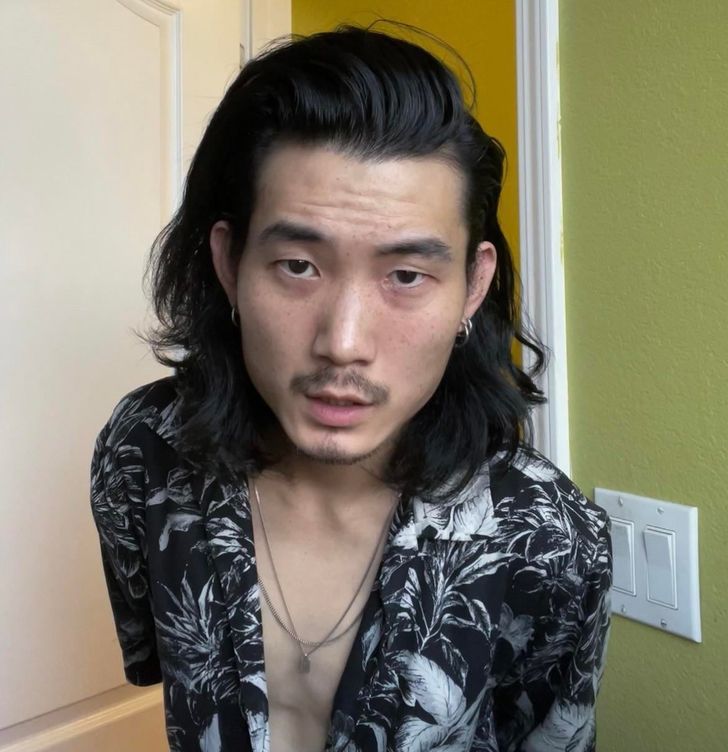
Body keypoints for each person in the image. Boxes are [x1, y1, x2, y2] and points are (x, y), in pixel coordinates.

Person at [90, 24, 612, 752]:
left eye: (406, 275)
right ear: (230, 264)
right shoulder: (143, 453)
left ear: (472, 286)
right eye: (298, 266)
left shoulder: (552, 539)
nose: (343, 342)